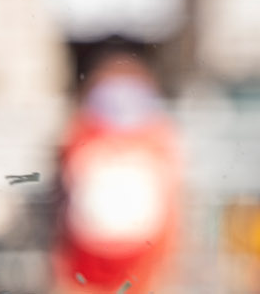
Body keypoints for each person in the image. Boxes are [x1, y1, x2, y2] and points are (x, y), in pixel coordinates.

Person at [54, 45, 186, 294]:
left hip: (141, 254)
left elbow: (170, 197)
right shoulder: (84, 133)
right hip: (89, 253)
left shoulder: (156, 137)